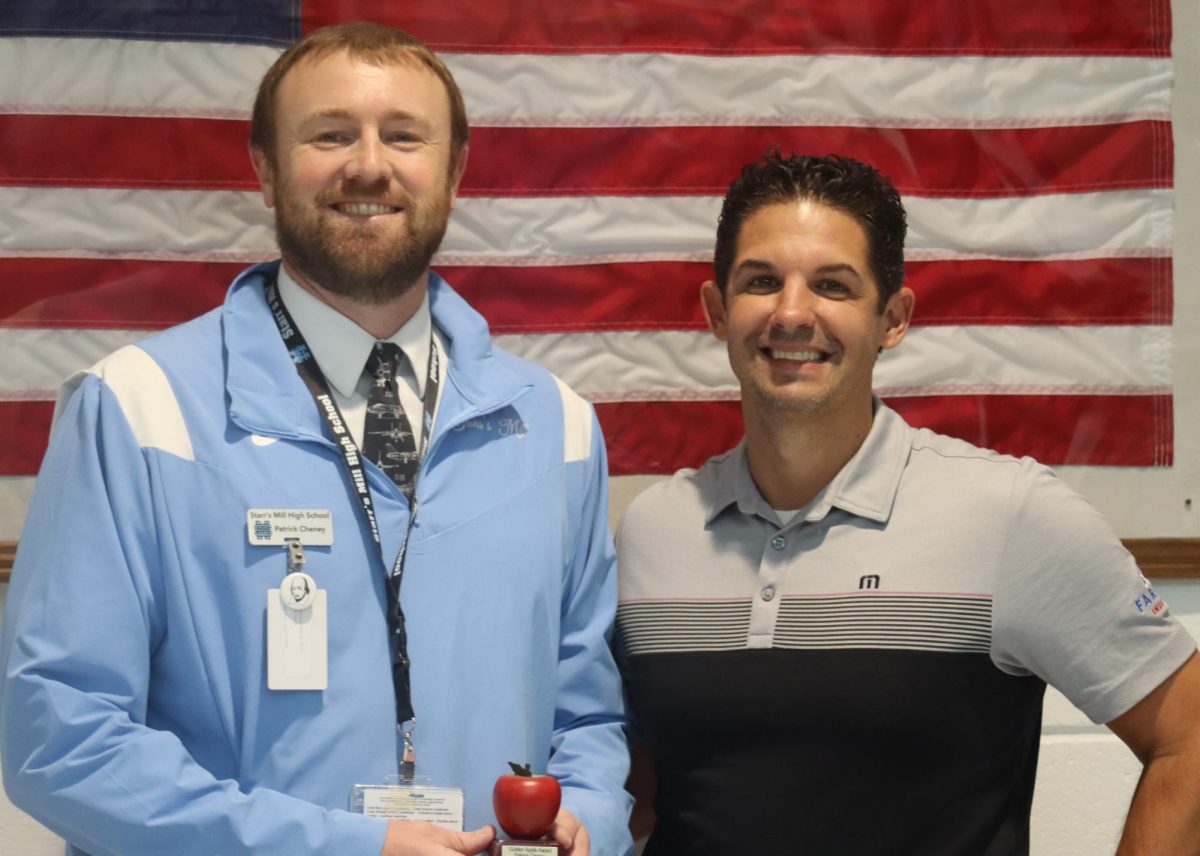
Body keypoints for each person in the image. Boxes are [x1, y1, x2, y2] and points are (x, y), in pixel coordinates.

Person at [1, 22, 631, 856]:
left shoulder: (555, 427)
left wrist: (589, 820)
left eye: (404, 136)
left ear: (455, 169)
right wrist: (340, 848)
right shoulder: (138, 410)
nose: (369, 164)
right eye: (331, 134)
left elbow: (586, 718)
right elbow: (62, 739)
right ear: (263, 167)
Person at [615, 151, 1200, 855]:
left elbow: (1188, 739)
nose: (792, 312)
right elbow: (639, 788)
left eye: (832, 285)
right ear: (717, 311)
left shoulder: (1009, 516)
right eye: (761, 282)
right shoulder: (653, 533)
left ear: (893, 318)